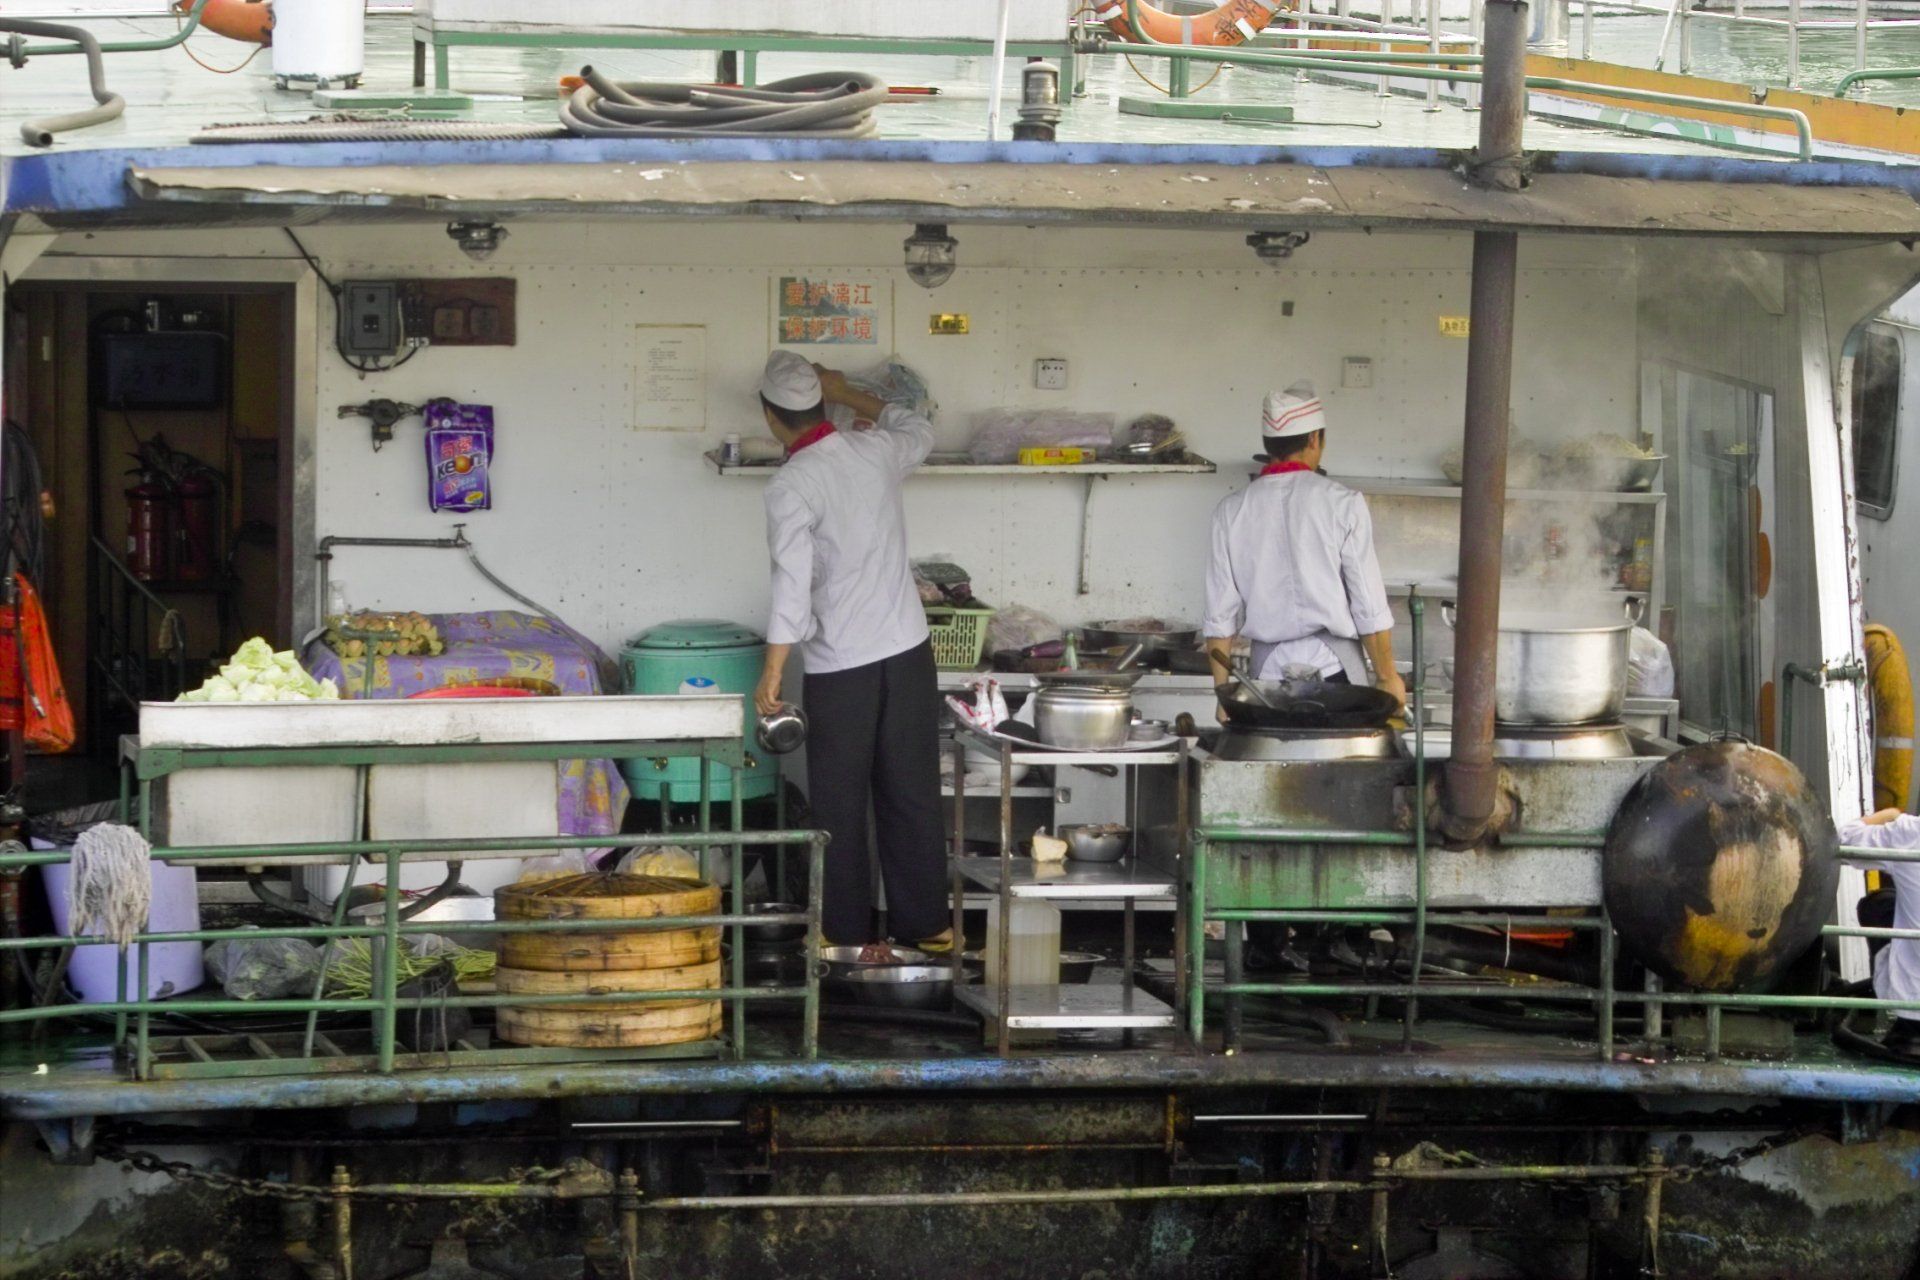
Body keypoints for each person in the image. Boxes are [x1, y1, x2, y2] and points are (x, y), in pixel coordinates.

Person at [753, 350, 952, 952]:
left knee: (839, 802)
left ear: (770, 415)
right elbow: (917, 426)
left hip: (843, 665)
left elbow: (792, 584)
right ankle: (928, 927)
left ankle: (842, 933)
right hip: (908, 652)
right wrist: (850, 392)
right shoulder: (876, 451)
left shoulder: (791, 484)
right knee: (911, 791)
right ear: (823, 403)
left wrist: (773, 670)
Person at [1203, 381, 1407, 711]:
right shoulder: (1343, 503)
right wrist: (1387, 677)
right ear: (1314, 439)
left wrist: (1223, 694)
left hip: (1265, 678)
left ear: (1269, 445)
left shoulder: (1230, 512)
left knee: (1274, 744)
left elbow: (1219, 615)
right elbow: (1367, 604)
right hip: (1336, 671)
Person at [1835, 807, 1920, 1059]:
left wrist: (1889, 815)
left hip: (1914, 1015)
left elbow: (1841, 840)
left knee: (1878, 905)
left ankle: (1887, 1006)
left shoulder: (1909, 833)